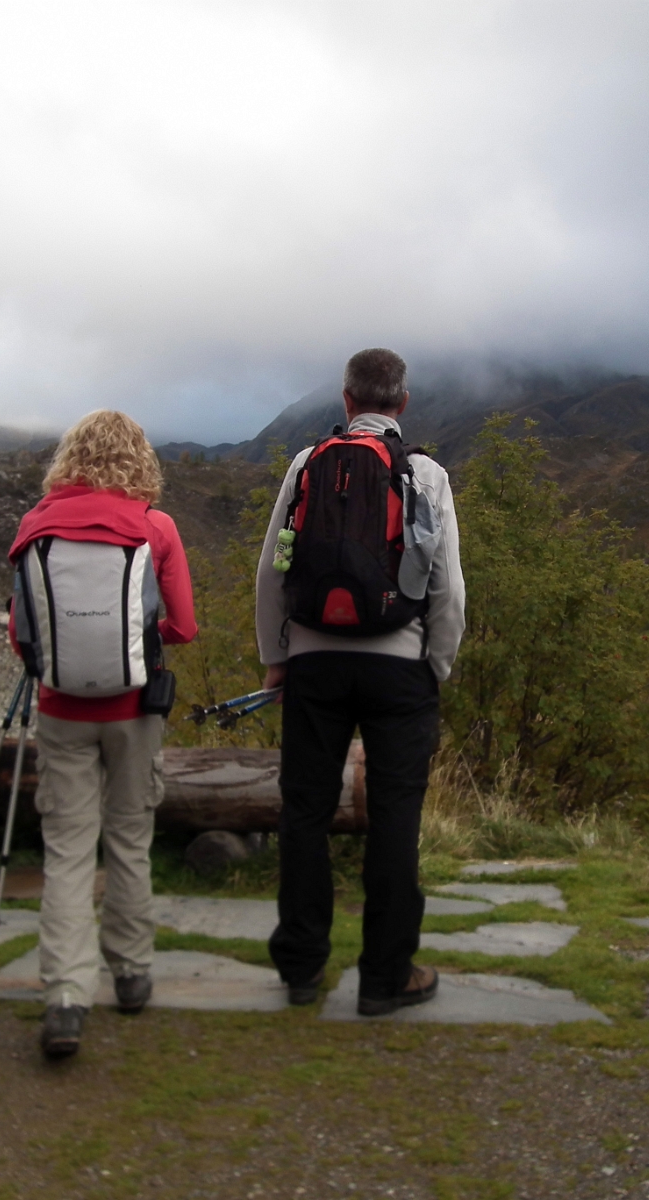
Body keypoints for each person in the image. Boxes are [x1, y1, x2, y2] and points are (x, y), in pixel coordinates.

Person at [255, 348, 466, 1016]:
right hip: (399, 666)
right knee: (395, 818)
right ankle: (385, 977)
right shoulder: (425, 473)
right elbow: (447, 585)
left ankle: (300, 967)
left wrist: (277, 655)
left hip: (315, 661)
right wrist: (436, 664)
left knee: (305, 812)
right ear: (401, 404)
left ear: (346, 401)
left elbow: (272, 569)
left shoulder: (306, 463)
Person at [7, 410, 197, 1058]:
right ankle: (132, 971)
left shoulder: (35, 528)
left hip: (61, 711)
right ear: (138, 459)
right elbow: (185, 626)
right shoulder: (155, 527)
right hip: (134, 711)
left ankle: (64, 998)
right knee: (129, 840)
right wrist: (141, 644)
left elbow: (20, 636)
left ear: (71, 458)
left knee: (66, 852)